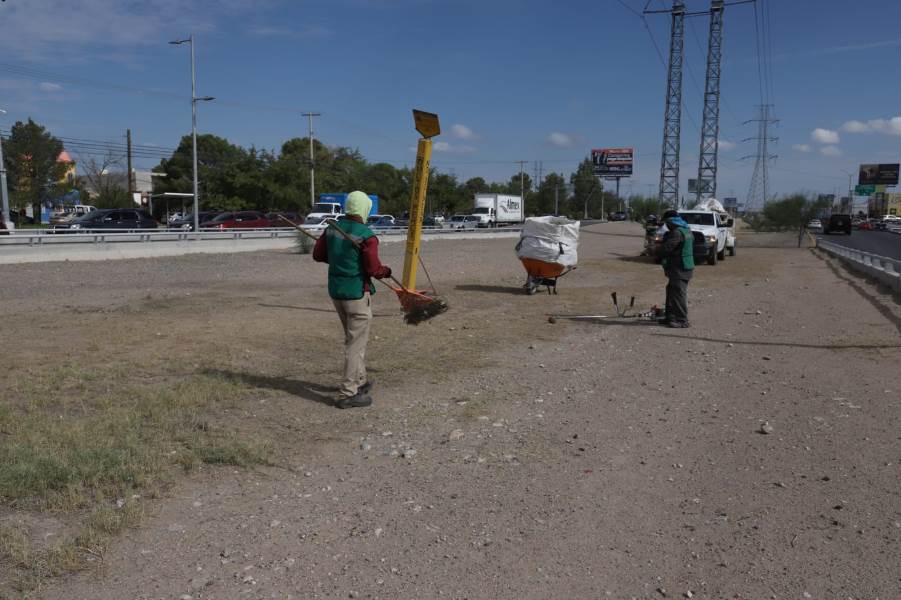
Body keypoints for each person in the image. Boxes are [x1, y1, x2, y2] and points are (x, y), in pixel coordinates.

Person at [313, 191, 392, 409]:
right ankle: (348, 393)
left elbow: (318, 255)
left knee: (354, 339)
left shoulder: (332, 229)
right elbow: (374, 269)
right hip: (356, 293)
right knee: (355, 344)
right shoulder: (367, 235)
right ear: (365, 209)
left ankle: (360, 381)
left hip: (336, 291)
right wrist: (386, 271)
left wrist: (339, 257)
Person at [659, 209, 694, 328]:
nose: (666, 226)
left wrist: (653, 248)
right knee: (671, 291)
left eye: (667, 223)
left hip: (680, 267)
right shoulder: (687, 230)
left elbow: (666, 248)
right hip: (684, 266)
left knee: (678, 293)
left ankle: (682, 320)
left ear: (671, 222)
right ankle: (670, 317)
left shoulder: (676, 233)